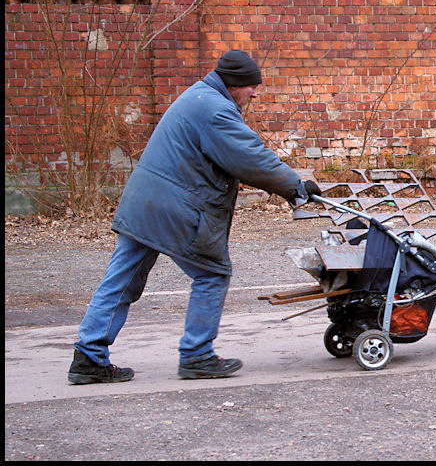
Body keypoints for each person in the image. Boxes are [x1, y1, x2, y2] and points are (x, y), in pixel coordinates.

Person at [68, 49, 321, 384]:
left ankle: (88, 355)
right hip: (173, 207)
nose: (255, 93)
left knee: (122, 279)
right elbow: (249, 158)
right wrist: (296, 186)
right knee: (212, 273)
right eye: (251, 86)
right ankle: (197, 355)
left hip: (144, 204)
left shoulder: (198, 96)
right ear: (233, 84)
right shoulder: (214, 110)